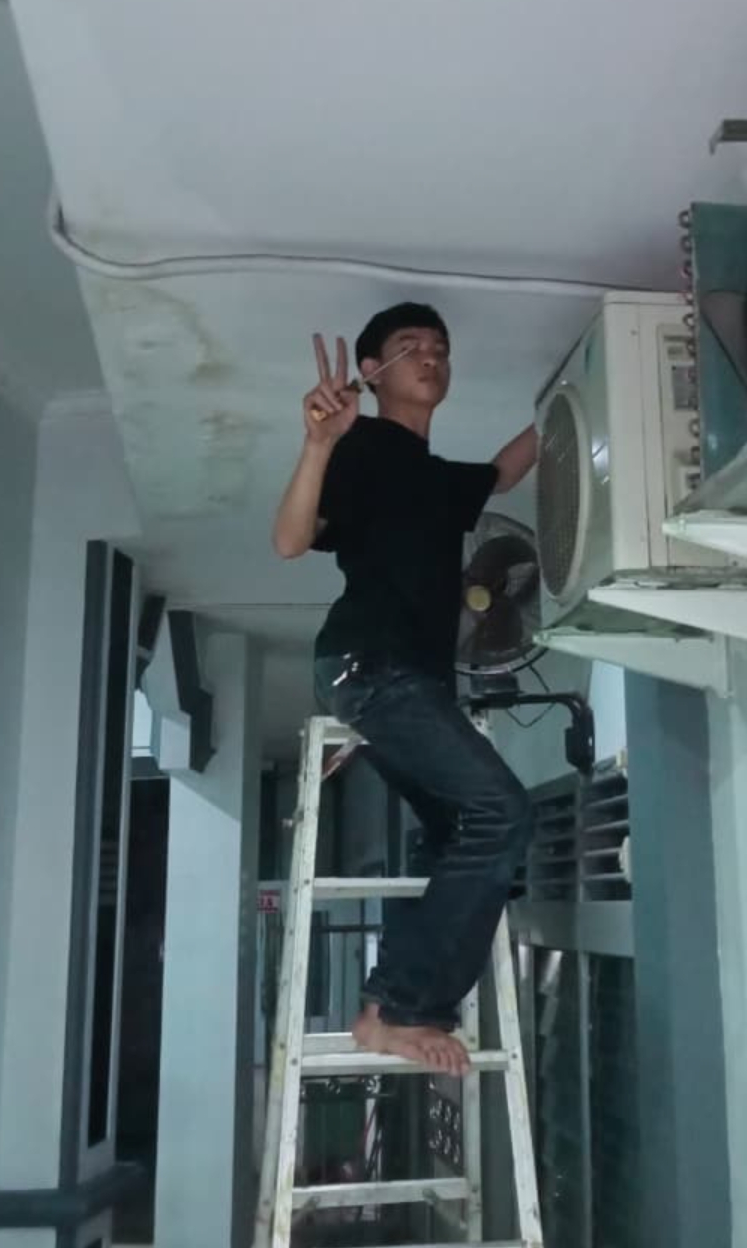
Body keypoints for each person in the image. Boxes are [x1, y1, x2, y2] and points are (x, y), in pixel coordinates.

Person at [273, 302, 539, 1077]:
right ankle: (400, 1008)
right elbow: (289, 541)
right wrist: (319, 442)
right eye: (411, 346)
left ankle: (384, 1007)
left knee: (464, 834)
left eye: (441, 348)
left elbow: (504, 470)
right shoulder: (360, 447)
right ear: (372, 371)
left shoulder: (435, 480)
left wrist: (575, 404)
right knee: (502, 812)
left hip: (410, 683)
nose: (432, 357)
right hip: (370, 666)